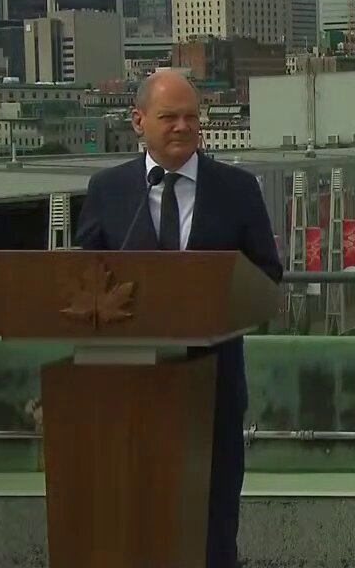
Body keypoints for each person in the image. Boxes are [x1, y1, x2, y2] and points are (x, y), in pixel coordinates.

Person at [75, 71, 282, 568]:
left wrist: (217, 297)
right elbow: (81, 278)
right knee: (137, 526)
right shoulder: (107, 190)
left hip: (213, 389)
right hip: (129, 389)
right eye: (170, 117)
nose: (183, 127)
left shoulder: (237, 188)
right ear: (139, 121)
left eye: (192, 116)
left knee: (211, 531)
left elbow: (268, 276)